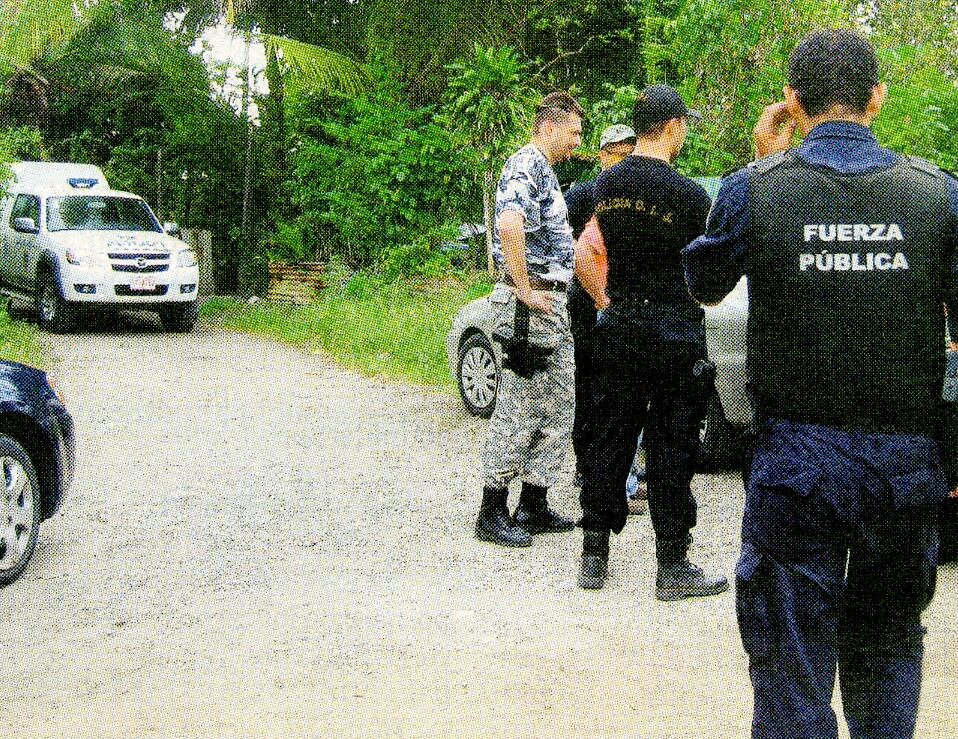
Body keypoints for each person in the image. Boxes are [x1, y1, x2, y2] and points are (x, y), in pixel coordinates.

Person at [682, 29, 958, 739]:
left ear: (792, 102)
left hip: (797, 466)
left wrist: (761, 165)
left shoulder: (758, 188)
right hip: (902, 466)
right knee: (889, 645)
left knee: (791, 664)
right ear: (878, 97)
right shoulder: (938, 196)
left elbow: (703, 282)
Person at [573, 84, 728, 599]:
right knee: (672, 445)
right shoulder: (689, 195)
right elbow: (705, 273)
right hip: (673, 332)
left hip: (619, 328)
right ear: (674, 126)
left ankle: (593, 556)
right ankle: (672, 564)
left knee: (609, 434)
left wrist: (606, 304)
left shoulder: (604, 186)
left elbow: (589, 252)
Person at [474, 91, 584, 548]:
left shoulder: (547, 171)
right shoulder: (526, 164)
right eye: (574, 132)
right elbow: (509, 225)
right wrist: (522, 287)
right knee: (520, 404)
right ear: (550, 126)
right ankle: (492, 508)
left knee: (558, 403)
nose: (578, 142)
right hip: (530, 305)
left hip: (551, 304)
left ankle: (533, 502)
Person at [565, 124, 648, 516]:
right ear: (601, 155)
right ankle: (590, 469)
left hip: (622, 304)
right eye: (614, 153)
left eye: (628, 153)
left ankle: (623, 476)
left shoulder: (637, 196)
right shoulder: (584, 194)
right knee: (589, 389)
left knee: (623, 392)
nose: (621, 159)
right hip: (586, 301)